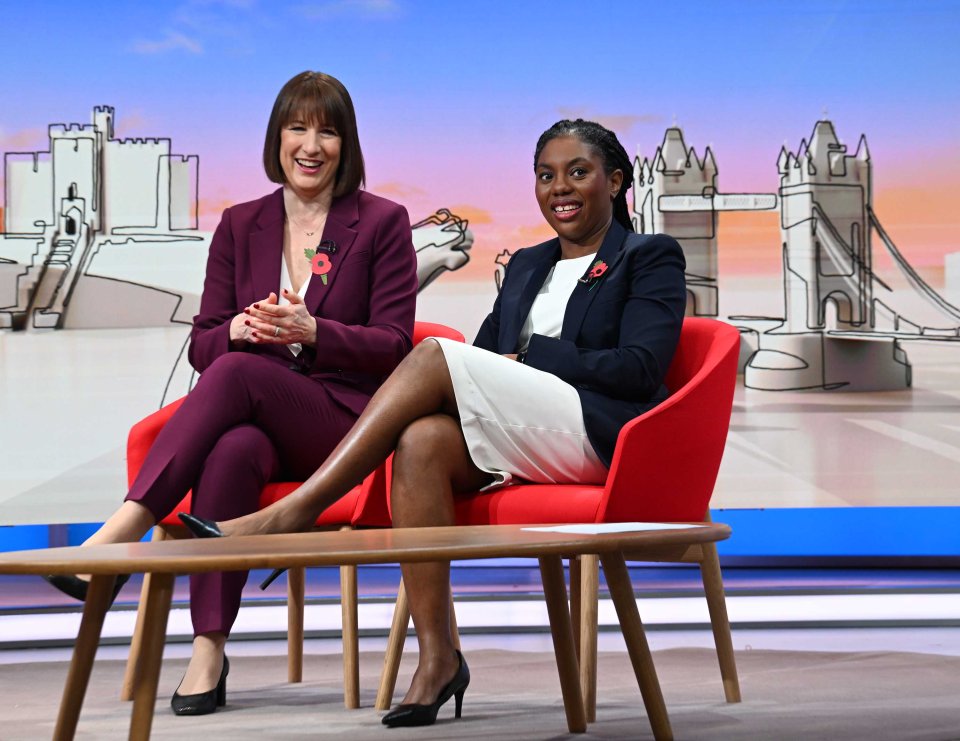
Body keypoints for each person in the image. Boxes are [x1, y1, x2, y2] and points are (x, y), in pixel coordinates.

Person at [180, 118, 687, 727]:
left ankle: (297, 510)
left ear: (617, 181)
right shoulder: (527, 265)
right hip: (522, 431)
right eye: (546, 176)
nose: (561, 188)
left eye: (578, 173)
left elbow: (640, 368)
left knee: (429, 356)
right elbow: (482, 357)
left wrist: (533, 357)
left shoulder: (648, 255)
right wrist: (500, 367)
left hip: (597, 433)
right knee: (421, 441)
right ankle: (438, 658)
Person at [43, 70, 418, 716]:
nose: (310, 144)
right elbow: (203, 342)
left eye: (326, 131)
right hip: (261, 420)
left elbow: (395, 346)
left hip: (345, 426)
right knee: (232, 450)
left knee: (241, 375)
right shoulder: (242, 224)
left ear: (346, 144)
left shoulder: (382, 222)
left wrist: (314, 331)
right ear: (276, 138)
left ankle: (121, 532)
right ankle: (209, 649)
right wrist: (240, 329)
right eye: (297, 127)